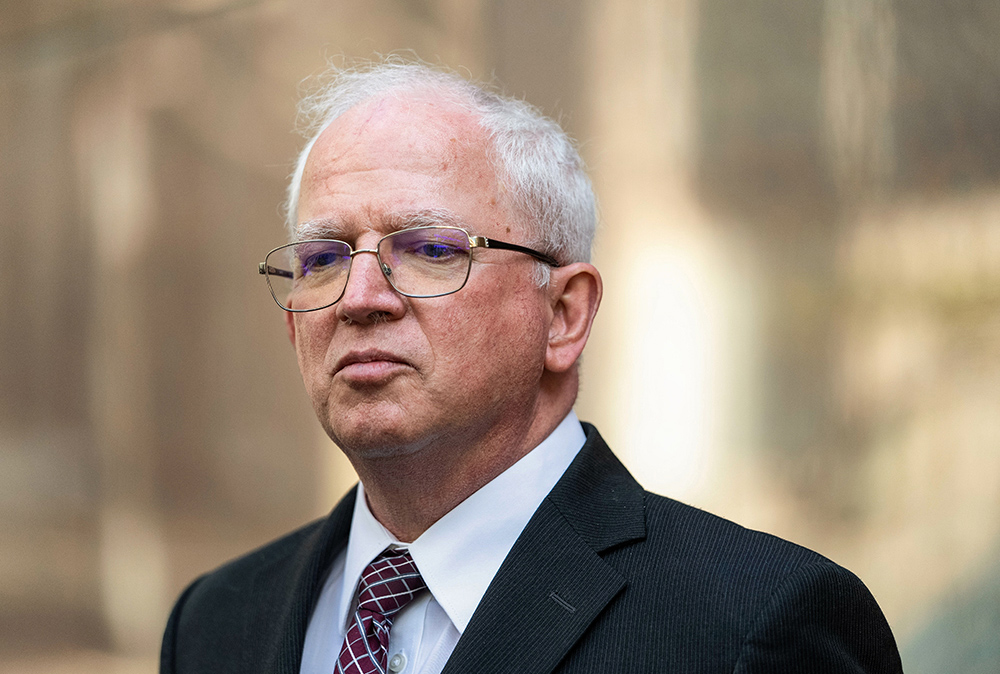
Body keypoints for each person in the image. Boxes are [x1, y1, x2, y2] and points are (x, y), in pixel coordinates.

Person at [160, 59, 903, 674]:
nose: (359, 298)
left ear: (564, 315)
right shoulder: (215, 624)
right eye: (322, 259)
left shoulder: (754, 627)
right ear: (293, 326)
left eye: (429, 250)